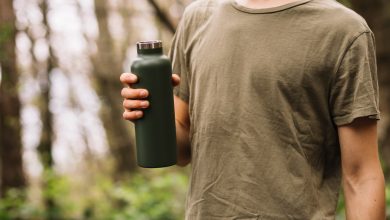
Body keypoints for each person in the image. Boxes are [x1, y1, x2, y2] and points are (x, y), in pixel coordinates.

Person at [120, 0, 385, 219]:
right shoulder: (197, 18)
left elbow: (361, 176)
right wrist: (148, 111)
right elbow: (182, 150)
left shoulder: (344, 31)